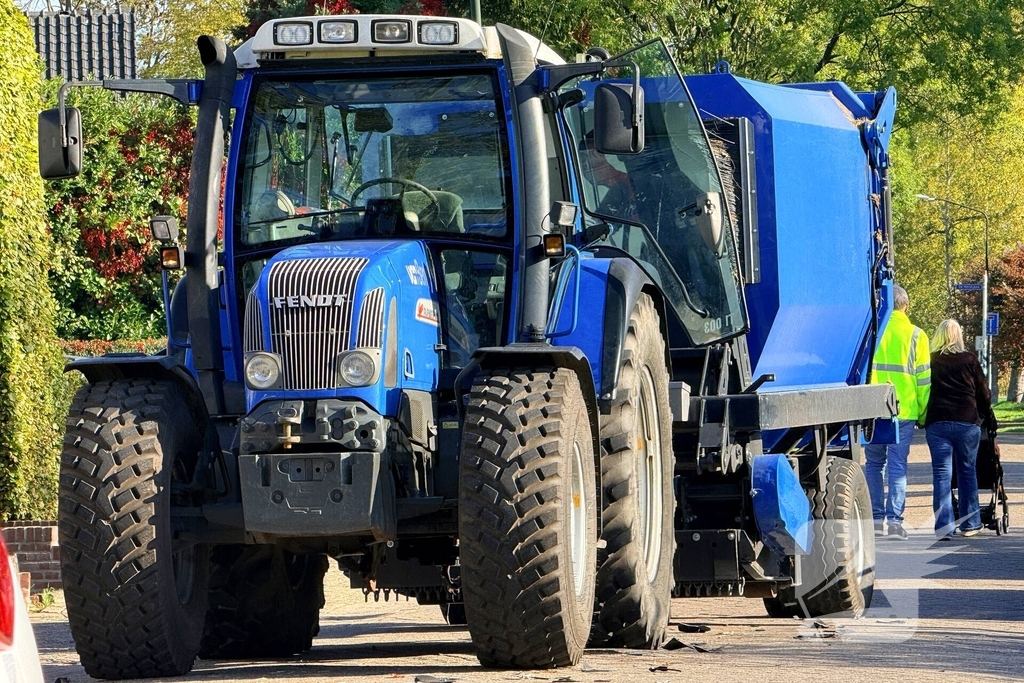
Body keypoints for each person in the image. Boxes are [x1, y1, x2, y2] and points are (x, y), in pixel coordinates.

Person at [865, 285, 931, 539]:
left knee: (873, 464)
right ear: (906, 305)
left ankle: (874, 520)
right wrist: (923, 413)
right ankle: (894, 522)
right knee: (897, 466)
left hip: (871, 408)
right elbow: (923, 380)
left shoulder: (872, 332)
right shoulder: (916, 335)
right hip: (903, 410)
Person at [925, 319, 991, 539]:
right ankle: (971, 523)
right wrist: (981, 417)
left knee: (942, 475)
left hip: (938, 422)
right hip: (966, 421)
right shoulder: (969, 359)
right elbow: (984, 393)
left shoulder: (931, 360)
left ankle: (944, 527)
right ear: (959, 336)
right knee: (966, 471)